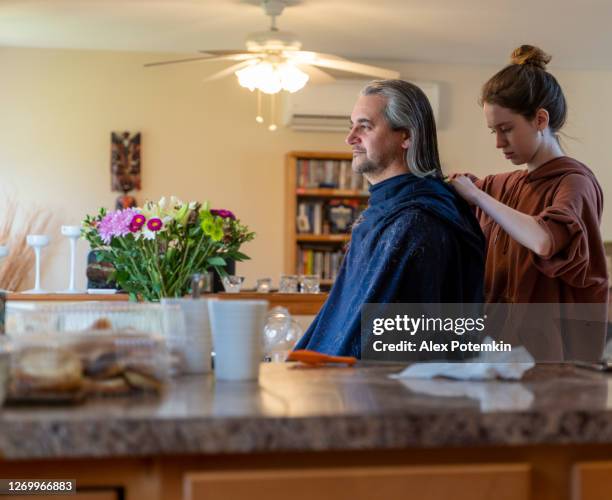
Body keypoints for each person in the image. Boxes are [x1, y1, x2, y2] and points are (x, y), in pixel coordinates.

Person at [295, 80, 486, 358]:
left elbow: (388, 346)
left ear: (405, 136)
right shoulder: (384, 215)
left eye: (365, 126)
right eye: (351, 125)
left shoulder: (415, 224)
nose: (350, 138)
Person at [450, 45, 609, 361]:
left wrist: (478, 195)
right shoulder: (502, 186)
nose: (498, 143)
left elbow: (544, 239)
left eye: (506, 129)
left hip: (552, 361)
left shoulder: (574, 182)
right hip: (495, 354)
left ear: (540, 119)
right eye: (493, 131)